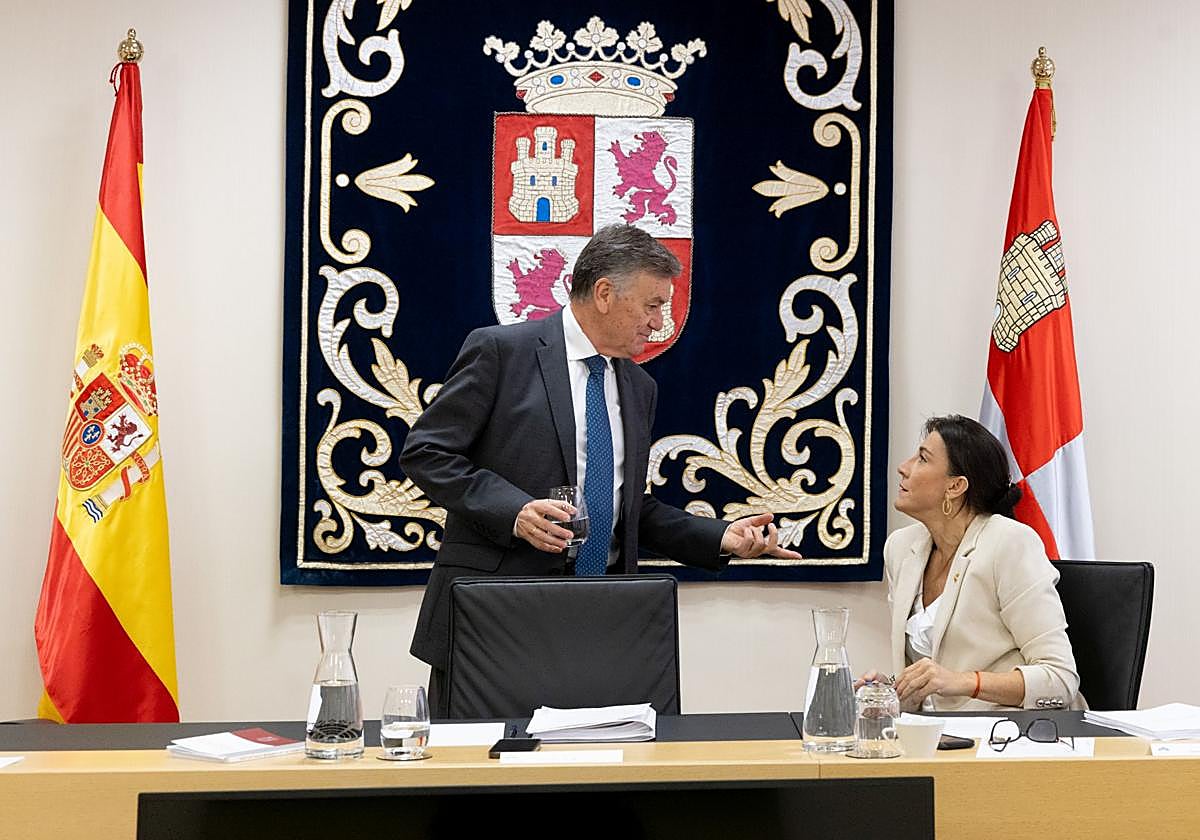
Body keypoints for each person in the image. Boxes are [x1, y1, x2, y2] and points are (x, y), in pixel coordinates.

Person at [401, 223, 800, 716]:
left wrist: (721, 538)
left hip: (600, 619)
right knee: (482, 784)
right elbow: (427, 453)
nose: (661, 322)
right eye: (653, 304)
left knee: (595, 783)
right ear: (606, 293)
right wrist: (515, 511)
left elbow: (630, 509)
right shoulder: (502, 351)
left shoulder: (639, 387)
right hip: (495, 614)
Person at [860, 414, 1082, 712]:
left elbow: (1061, 680)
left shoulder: (1009, 543)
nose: (904, 467)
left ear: (955, 487)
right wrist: (889, 692)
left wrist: (966, 682)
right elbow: (934, 680)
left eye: (923, 459)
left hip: (1013, 739)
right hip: (939, 740)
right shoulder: (901, 548)